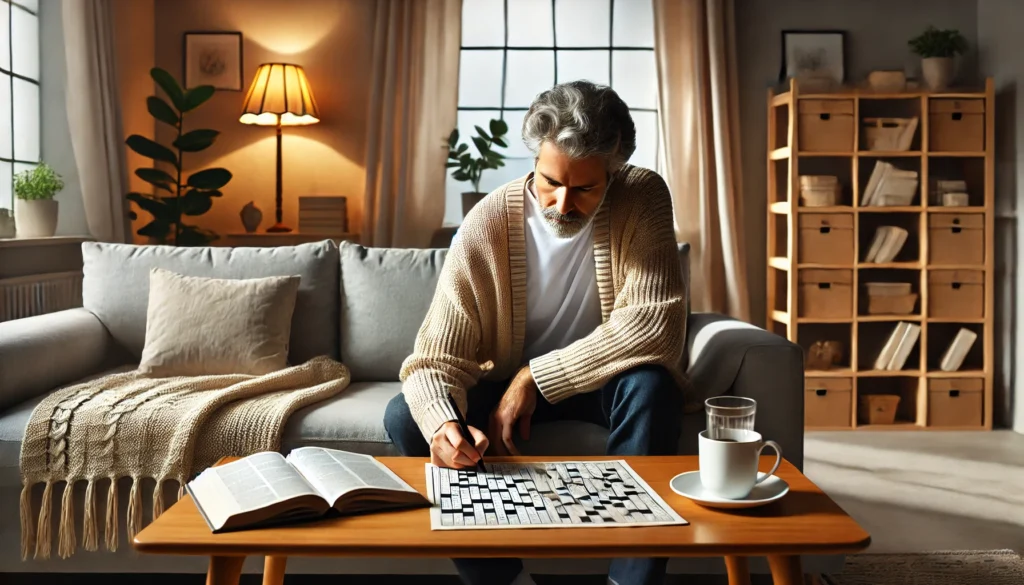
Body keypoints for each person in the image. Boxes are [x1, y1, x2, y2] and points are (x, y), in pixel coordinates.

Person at [383, 80, 693, 585]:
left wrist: (534, 378)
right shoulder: (488, 223)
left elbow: (653, 325)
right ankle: (503, 579)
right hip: (503, 386)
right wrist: (443, 425)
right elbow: (432, 360)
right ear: (534, 160)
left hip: (601, 385)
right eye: (550, 181)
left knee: (652, 387)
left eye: (586, 188)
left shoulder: (643, 195)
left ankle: (628, 580)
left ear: (613, 173)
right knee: (406, 415)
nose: (563, 203)